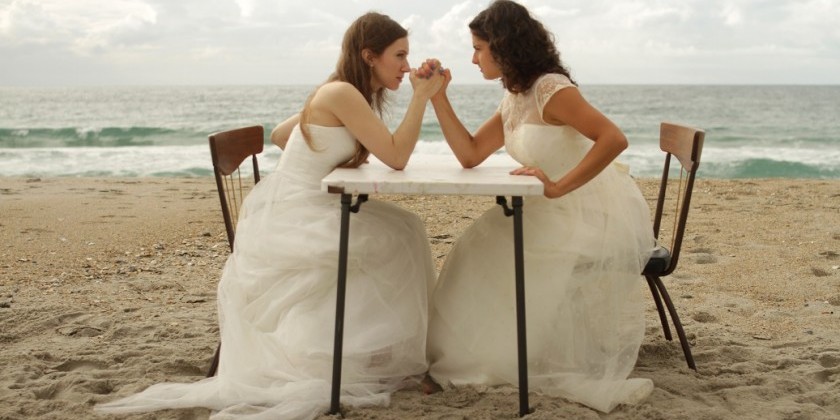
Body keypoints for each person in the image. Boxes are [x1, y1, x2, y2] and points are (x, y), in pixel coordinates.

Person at [97, 12, 444, 420]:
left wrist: (319, 157)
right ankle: (380, 358)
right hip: (296, 217)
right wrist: (422, 97)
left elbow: (282, 134)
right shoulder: (343, 94)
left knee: (402, 227)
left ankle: (374, 355)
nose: (406, 66)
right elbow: (398, 157)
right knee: (401, 236)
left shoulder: (341, 91)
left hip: (293, 205)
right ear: (370, 56)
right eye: (399, 55)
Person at [425, 0, 656, 413]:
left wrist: (557, 188)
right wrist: (438, 98)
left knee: (494, 249)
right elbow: (471, 153)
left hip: (584, 211)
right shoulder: (516, 95)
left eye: (478, 48)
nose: (473, 57)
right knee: (475, 244)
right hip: (547, 209)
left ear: (503, 47)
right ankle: (468, 354)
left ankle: (486, 360)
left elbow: (613, 139)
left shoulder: (551, 90)